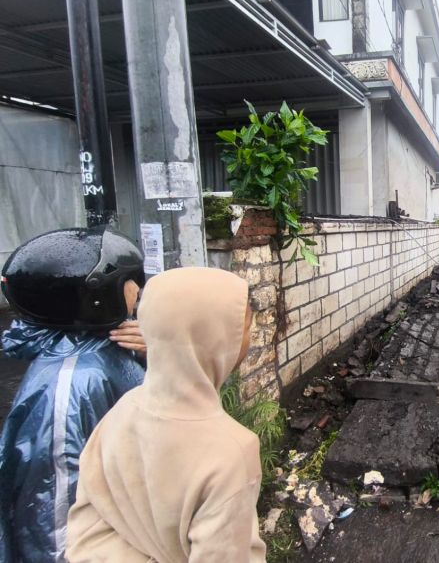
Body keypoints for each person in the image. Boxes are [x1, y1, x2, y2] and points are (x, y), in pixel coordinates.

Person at [67, 267, 266, 563]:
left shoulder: (120, 411)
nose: (249, 340)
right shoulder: (232, 452)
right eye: (245, 329)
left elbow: (86, 532)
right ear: (216, 339)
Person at [0, 228, 148, 563]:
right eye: (129, 281)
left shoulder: (107, 344)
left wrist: (153, 353)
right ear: (95, 295)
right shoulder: (70, 383)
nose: (138, 289)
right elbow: (52, 514)